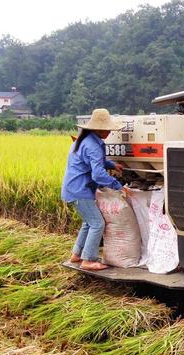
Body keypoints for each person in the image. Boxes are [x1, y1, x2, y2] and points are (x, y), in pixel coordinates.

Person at [61, 108, 127, 271]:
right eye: (107, 129)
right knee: (97, 224)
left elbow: (93, 161)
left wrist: (112, 165)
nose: (110, 132)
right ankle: (88, 260)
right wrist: (119, 187)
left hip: (72, 188)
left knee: (88, 222)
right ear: (98, 128)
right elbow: (98, 175)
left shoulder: (84, 141)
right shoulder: (92, 145)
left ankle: (77, 254)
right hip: (80, 190)